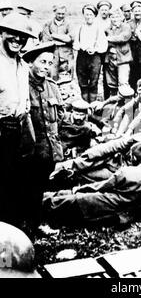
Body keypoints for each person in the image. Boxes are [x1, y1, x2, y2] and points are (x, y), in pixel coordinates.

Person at [43, 142, 141, 227]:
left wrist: (78, 189)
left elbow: (100, 187)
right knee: (69, 197)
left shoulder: (126, 172)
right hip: (120, 212)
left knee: (65, 200)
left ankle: (41, 202)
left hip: (104, 204)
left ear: (133, 158)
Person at [22, 41, 65, 232]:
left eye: (49, 63)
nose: (46, 67)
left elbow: (60, 115)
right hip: (29, 150)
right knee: (25, 187)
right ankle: (23, 224)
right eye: (42, 62)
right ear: (31, 62)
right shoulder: (22, 86)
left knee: (40, 187)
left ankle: (36, 223)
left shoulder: (52, 87)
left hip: (49, 150)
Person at [0, 13, 37, 229]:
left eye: (22, 37)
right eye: (12, 35)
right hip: (1, 127)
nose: (17, 40)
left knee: (17, 177)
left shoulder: (22, 66)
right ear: (1, 33)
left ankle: (14, 226)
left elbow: (25, 101)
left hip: (20, 127)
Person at [73, 4, 108, 103]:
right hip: (82, 56)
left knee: (93, 82)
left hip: (94, 57)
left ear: (94, 15)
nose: (88, 17)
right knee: (82, 82)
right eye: (86, 14)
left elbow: (103, 44)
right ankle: (85, 106)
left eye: (90, 15)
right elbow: (75, 43)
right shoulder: (80, 28)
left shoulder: (98, 28)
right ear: (84, 15)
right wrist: (80, 47)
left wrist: (95, 49)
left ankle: (92, 105)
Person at [41, 4, 75, 80]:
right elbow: (46, 40)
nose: (61, 15)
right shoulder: (48, 24)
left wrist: (54, 35)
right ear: (54, 12)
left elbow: (70, 39)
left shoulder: (69, 24)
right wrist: (63, 40)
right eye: (58, 13)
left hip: (66, 57)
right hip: (52, 55)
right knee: (52, 78)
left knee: (66, 79)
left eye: (63, 14)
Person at [105, 8, 132, 95]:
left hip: (123, 58)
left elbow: (123, 37)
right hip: (110, 59)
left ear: (121, 17)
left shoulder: (126, 27)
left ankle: (126, 105)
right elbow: (102, 42)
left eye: (117, 16)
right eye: (112, 17)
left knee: (123, 83)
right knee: (111, 84)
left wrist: (108, 39)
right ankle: (113, 104)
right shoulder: (107, 29)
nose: (115, 19)